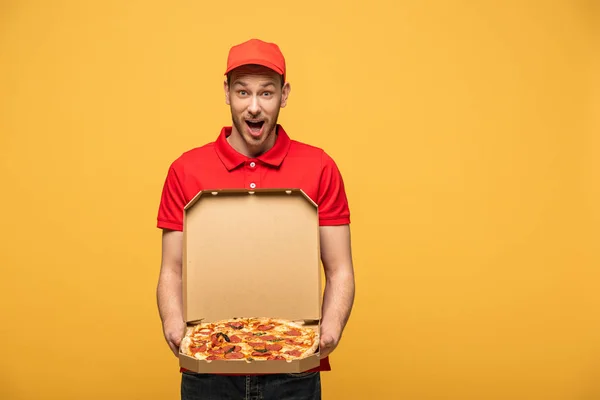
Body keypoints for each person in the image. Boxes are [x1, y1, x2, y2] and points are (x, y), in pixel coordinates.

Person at [155, 38, 355, 400]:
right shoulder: (186, 170)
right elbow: (172, 269)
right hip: (208, 367)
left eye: (266, 93)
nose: (253, 107)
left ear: (284, 94)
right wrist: (172, 324)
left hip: (293, 370)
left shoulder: (320, 167)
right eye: (243, 92)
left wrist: (332, 327)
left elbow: (339, 268)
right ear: (227, 93)